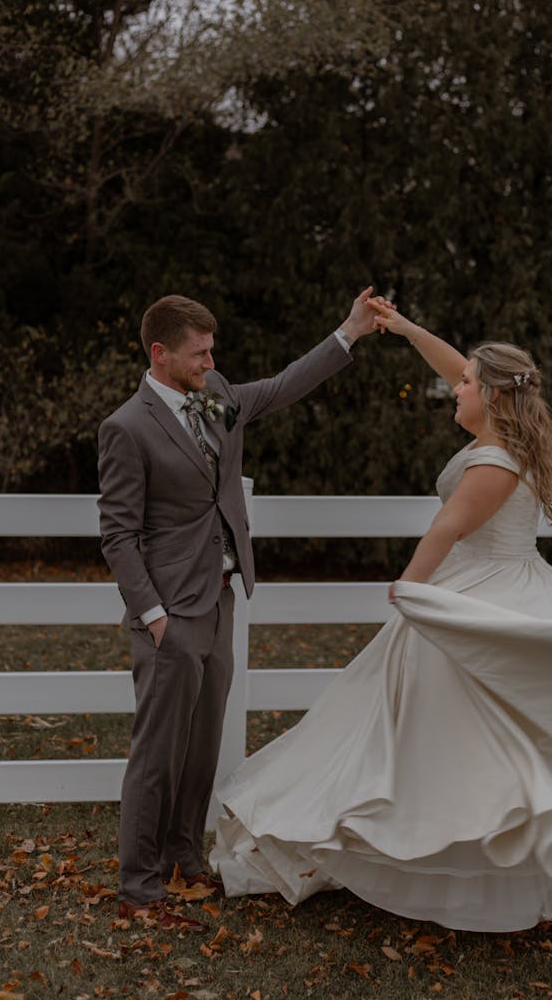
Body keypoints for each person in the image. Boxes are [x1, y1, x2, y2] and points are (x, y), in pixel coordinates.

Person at [208, 302, 552, 932]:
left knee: (473, 739)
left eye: (468, 384)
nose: (456, 386)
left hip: (486, 593)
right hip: (516, 582)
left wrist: (409, 591)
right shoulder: (507, 437)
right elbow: (461, 368)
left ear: (494, 397)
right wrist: (405, 329)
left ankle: (468, 856)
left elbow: (446, 528)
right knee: (488, 738)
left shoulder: (493, 462)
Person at [97, 287, 391, 931]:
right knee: (158, 751)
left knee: (202, 745)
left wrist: (348, 331)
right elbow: (118, 535)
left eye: (212, 350)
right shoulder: (126, 427)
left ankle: (181, 857)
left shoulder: (219, 394)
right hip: (169, 615)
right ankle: (138, 887)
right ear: (160, 353)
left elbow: (285, 385)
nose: (210, 360)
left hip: (221, 601)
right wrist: (153, 617)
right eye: (199, 353)